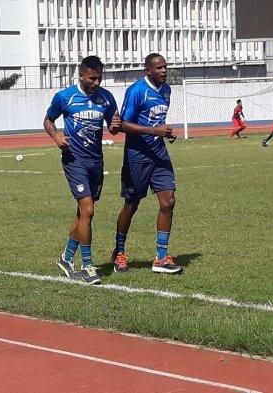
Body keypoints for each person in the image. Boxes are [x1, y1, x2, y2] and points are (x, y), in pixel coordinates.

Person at [44, 56, 121, 285]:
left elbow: (113, 127)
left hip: (95, 161)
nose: (96, 82)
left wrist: (116, 127)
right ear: (81, 75)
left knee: (83, 212)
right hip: (74, 160)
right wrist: (56, 135)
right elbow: (48, 120)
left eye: (99, 78)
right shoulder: (65, 97)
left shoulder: (106, 98)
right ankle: (88, 266)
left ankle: (66, 258)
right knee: (88, 210)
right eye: (92, 78)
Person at [110, 53, 183, 275]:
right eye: (159, 68)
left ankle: (161, 257)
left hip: (158, 154)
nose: (163, 71)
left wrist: (165, 133)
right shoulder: (136, 91)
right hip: (137, 156)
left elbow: (156, 121)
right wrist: (154, 130)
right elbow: (122, 124)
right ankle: (119, 252)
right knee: (131, 205)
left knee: (168, 201)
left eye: (165, 67)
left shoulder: (167, 91)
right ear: (148, 70)